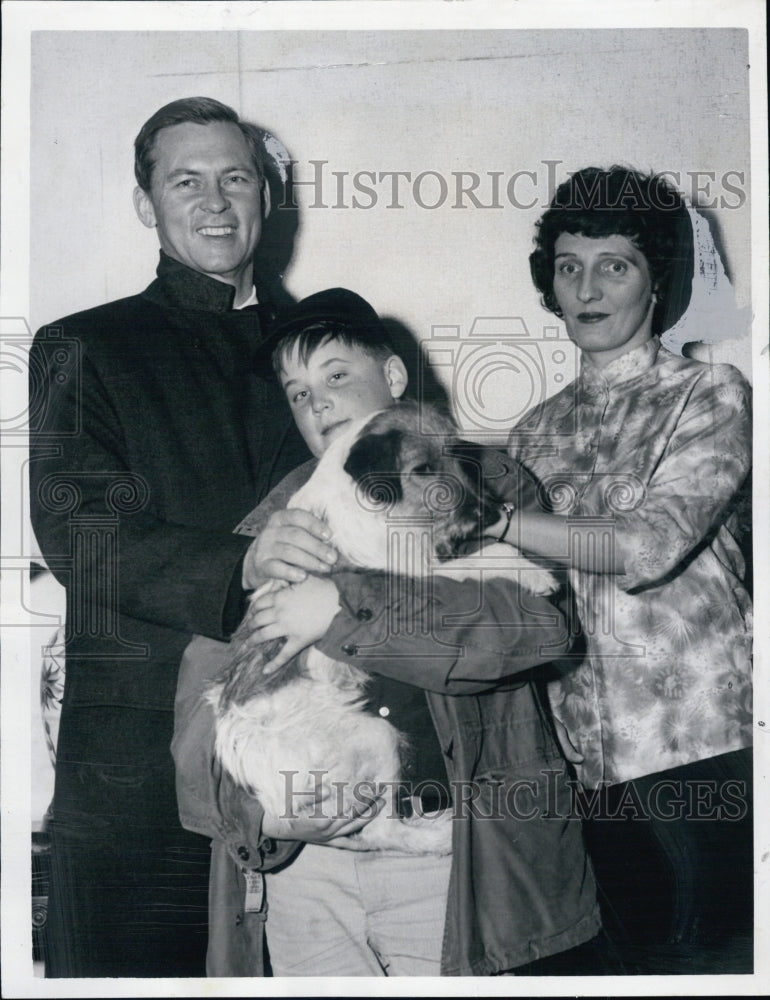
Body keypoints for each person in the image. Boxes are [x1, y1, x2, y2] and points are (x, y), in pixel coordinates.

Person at [172, 287, 604, 978]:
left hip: (450, 860)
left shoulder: (477, 482)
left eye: (336, 375)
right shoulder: (275, 518)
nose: (318, 404)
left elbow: (532, 628)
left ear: (394, 376)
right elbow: (200, 710)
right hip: (306, 871)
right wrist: (262, 819)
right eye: (298, 393)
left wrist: (342, 608)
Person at [28, 97, 310, 978]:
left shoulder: (325, 348)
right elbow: (81, 528)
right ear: (146, 204)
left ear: (267, 197)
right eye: (186, 182)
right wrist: (242, 563)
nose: (216, 202)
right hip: (138, 766)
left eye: (236, 178)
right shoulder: (84, 344)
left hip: (310, 749)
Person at [499, 166, 753, 970]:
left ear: (656, 280)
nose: (587, 288)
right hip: (586, 761)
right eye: (568, 266)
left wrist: (494, 521)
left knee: (720, 964)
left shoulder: (710, 393)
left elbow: (646, 547)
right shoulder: (531, 432)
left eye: (615, 265)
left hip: (703, 745)